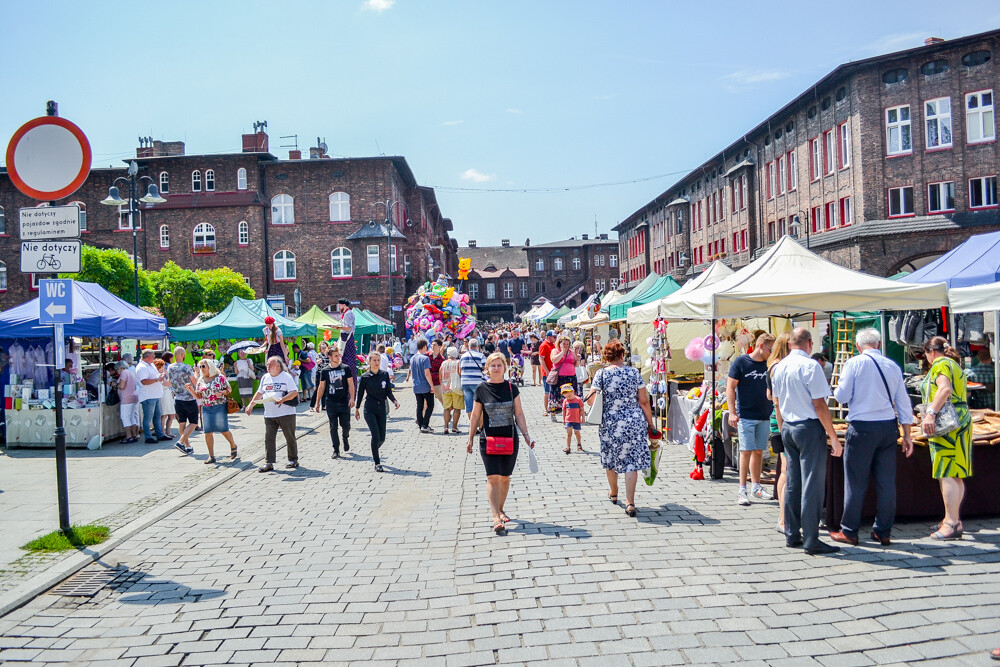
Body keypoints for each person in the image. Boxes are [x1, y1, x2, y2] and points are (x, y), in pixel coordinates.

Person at [829, 328, 914, 547]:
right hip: (888, 427)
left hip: (862, 427)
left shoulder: (854, 364)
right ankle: (883, 531)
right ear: (878, 344)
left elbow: (842, 396)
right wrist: (907, 434)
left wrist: (838, 389)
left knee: (856, 482)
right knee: (886, 483)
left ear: (858, 346)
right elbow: (903, 402)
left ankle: (849, 530)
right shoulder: (892, 365)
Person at [772, 328, 843, 555]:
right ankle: (811, 539)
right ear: (810, 344)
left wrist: (782, 429)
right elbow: (819, 405)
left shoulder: (779, 366)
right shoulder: (811, 366)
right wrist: (833, 437)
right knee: (812, 483)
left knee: (794, 482)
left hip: (788, 426)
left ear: (790, 344)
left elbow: (777, 402)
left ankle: (792, 533)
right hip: (808, 427)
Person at [466, 352, 536, 535]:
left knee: (505, 477)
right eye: (493, 365)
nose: (496, 368)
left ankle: (501, 508)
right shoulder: (481, 389)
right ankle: (495, 516)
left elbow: (518, 413)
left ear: (505, 367)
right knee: (492, 477)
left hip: (509, 438)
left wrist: (526, 435)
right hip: (488, 439)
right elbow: (475, 415)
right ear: (487, 368)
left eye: (499, 365)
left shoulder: (512, 388)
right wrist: (470, 438)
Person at [584, 339, 653, 518]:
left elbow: (591, 400)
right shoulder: (634, 373)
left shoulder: (601, 374)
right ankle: (630, 502)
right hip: (633, 422)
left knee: (610, 457)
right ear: (622, 355)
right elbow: (643, 401)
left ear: (606, 357)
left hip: (610, 423)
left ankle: (614, 492)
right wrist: (651, 424)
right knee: (632, 461)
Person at [921, 336, 972, 540]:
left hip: (947, 423)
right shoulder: (954, 364)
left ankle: (950, 522)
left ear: (931, 352)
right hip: (960, 419)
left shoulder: (940, 363)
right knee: (955, 472)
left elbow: (944, 388)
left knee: (947, 471)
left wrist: (931, 413)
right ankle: (953, 519)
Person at [726, 333, 775, 506]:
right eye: (770, 349)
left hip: (764, 415)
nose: (772, 352)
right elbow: (730, 387)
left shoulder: (770, 364)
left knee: (759, 451)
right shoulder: (741, 362)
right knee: (745, 451)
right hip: (746, 415)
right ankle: (742, 489)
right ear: (761, 346)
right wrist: (732, 412)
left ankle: (756, 486)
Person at [246, 356, 300, 472]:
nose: (268, 367)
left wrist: (283, 399)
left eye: (270, 365)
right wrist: (251, 405)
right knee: (269, 438)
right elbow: (259, 393)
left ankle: (293, 459)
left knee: (289, 437)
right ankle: (269, 462)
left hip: (286, 413)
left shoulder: (286, 377)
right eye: (267, 365)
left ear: (278, 366)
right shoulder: (265, 377)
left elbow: (294, 392)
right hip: (269, 414)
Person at [355, 350, 400, 472]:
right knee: (375, 435)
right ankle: (377, 462)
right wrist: (357, 408)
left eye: (378, 360)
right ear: (369, 362)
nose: (376, 362)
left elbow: (388, 391)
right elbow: (360, 394)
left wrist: (394, 401)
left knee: (382, 437)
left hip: (381, 408)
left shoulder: (384, 374)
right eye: (374, 360)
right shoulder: (365, 377)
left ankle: (374, 448)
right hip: (369, 409)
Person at [186, 359, 238, 464]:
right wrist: (190, 390)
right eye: (200, 367)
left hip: (219, 406)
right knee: (207, 432)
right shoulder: (200, 380)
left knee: (223, 429)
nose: (201, 369)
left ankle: (233, 445)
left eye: (203, 366)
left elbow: (229, 389)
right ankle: (211, 456)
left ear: (210, 366)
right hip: (206, 407)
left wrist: (222, 392)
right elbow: (198, 396)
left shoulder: (219, 377)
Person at [766, 333, 791, 531]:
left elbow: (768, 395)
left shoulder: (773, 365)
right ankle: (783, 516)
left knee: (785, 468)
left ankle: (785, 514)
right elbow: (774, 399)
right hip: (780, 421)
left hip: (778, 420)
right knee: (785, 470)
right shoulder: (777, 367)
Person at [315, 346, 355, 459]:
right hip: (331, 403)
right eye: (336, 356)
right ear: (330, 357)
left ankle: (345, 438)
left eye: (339, 355)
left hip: (344, 402)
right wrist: (317, 402)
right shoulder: (325, 371)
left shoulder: (345, 368)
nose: (338, 357)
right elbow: (321, 387)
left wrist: (352, 398)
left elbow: (351, 384)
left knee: (346, 425)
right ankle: (336, 450)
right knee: (333, 427)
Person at [168, 346, 197, 455]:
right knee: (193, 422)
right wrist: (197, 373)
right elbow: (194, 381)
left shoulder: (170, 367)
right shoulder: (186, 367)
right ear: (182, 355)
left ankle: (187, 446)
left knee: (182, 422)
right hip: (189, 397)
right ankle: (181, 442)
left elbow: (169, 381)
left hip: (178, 398)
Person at [135, 349, 169, 444]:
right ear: (148, 357)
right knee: (148, 417)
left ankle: (159, 434)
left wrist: (159, 376)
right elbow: (144, 381)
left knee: (157, 415)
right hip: (148, 396)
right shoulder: (142, 367)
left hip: (155, 394)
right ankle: (148, 437)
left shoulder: (150, 365)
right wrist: (157, 379)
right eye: (153, 356)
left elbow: (154, 376)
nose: (154, 358)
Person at [407, 339, 435, 433]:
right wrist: (432, 386)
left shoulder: (412, 358)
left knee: (419, 405)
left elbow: (411, 371)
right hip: (425, 386)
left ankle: (420, 424)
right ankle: (425, 424)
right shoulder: (425, 358)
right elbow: (427, 373)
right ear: (424, 346)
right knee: (430, 405)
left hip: (416, 385)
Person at [115, 360, 141, 444]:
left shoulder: (124, 373)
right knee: (132, 417)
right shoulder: (131, 372)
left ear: (120, 368)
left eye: (117, 370)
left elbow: (122, 386)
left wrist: (115, 385)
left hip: (126, 398)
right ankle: (134, 435)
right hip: (134, 396)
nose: (117, 372)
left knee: (125, 417)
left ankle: (128, 436)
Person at [460, 338, 487, 418]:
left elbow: (460, 370)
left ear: (469, 346)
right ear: (477, 346)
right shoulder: (481, 356)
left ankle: (472, 424)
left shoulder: (463, 356)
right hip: (477, 382)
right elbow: (485, 369)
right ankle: (480, 425)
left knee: (469, 406)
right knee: (480, 405)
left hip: (465, 382)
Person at [441, 346, 464, 434]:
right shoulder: (458, 363)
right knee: (457, 408)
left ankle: (446, 427)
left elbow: (440, 375)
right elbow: (460, 373)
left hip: (445, 387)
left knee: (446, 408)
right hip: (456, 388)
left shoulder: (444, 363)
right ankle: (454, 427)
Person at [153, 358, 177, 439]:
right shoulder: (159, 375)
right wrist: (168, 375)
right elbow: (169, 384)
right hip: (163, 395)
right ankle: (163, 432)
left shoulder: (161, 374)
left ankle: (168, 431)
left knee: (171, 414)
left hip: (167, 394)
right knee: (164, 415)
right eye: (162, 366)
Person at [337, 299, 359, 378]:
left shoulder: (348, 314)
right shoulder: (346, 313)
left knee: (348, 358)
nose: (339, 307)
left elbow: (349, 328)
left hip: (347, 337)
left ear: (344, 305)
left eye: (340, 305)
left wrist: (338, 327)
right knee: (345, 357)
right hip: (345, 337)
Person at [561, 383, 584, 454]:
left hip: (576, 419)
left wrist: (583, 418)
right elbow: (564, 410)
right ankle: (568, 447)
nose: (568, 397)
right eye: (566, 396)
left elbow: (582, 409)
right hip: (568, 420)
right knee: (569, 433)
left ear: (573, 392)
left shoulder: (578, 399)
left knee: (577, 432)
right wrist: (563, 419)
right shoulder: (565, 401)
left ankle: (579, 444)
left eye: (569, 395)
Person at [538, 330, 557, 413]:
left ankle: (553, 407)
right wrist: (546, 370)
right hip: (548, 372)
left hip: (554, 371)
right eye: (554, 337)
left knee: (553, 391)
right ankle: (545, 409)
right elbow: (541, 359)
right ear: (549, 337)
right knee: (547, 391)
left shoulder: (553, 345)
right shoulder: (544, 345)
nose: (555, 338)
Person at [429, 339, 446, 413]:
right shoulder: (427, 355)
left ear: (439, 346)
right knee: (426, 401)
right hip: (427, 382)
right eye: (432, 345)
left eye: (434, 345)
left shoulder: (442, 359)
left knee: (441, 399)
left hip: (437, 382)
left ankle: (446, 412)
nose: (433, 346)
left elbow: (442, 372)